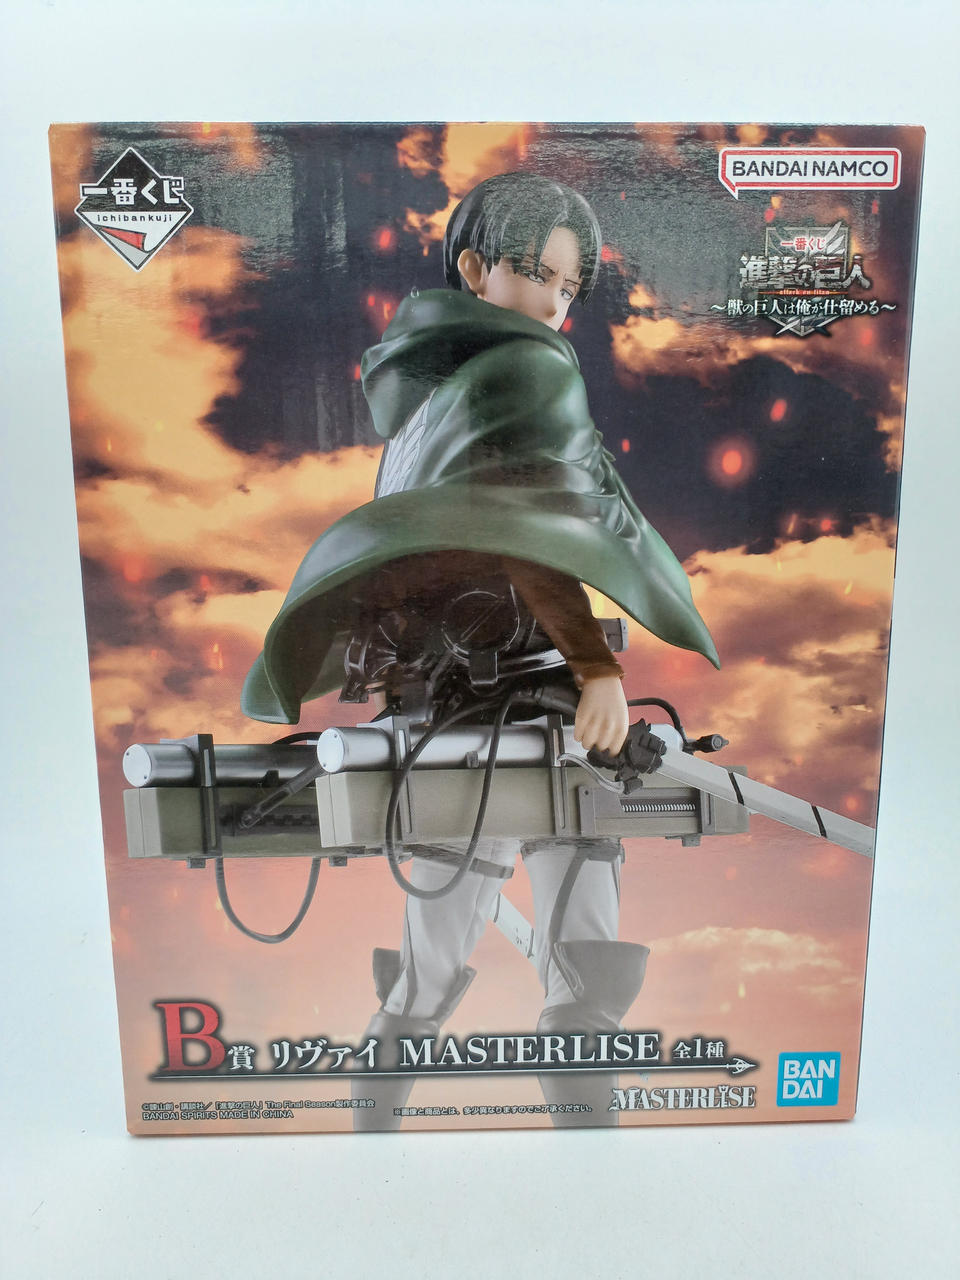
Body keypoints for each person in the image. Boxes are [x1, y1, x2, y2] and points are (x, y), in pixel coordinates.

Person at [243, 172, 718, 1128]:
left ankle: (411, 1119)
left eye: (569, 288)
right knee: (566, 894)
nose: (554, 304)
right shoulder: (524, 375)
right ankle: (550, 1118)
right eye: (538, 275)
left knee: (454, 939)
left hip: (454, 702)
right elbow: (527, 538)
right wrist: (596, 669)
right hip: (514, 696)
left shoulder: (431, 395)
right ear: (475, 269)